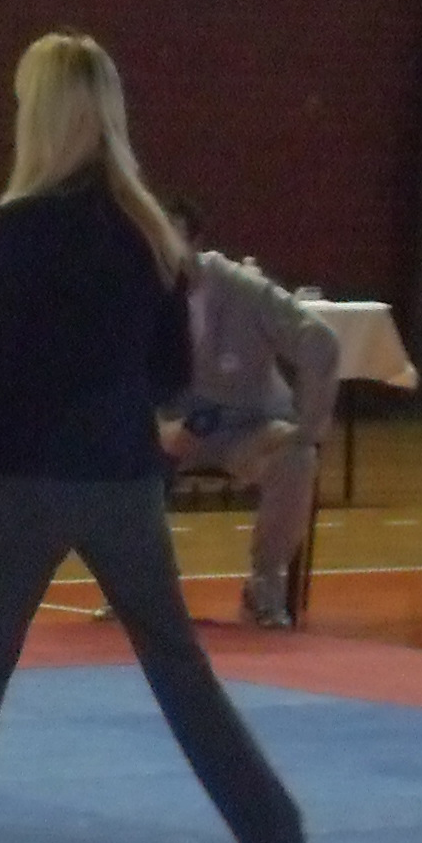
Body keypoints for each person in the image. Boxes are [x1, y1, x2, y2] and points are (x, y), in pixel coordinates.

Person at [0, 32, 316, 843]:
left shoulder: (23, 224)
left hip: (29, 480)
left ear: (42, 112)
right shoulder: (148, 228)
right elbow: (173, 370)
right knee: (181, 672)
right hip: (125, 478)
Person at [161, 197, 340, 630]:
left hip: (249, 426)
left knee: (297, 459)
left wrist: (307, 429)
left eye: (170, 238)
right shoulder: (129, 291)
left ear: (193, 242)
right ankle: (140, 588)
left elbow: (319, 341)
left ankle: (265, 585)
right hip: (170, 427)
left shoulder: (241, 288)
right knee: (118, 455)